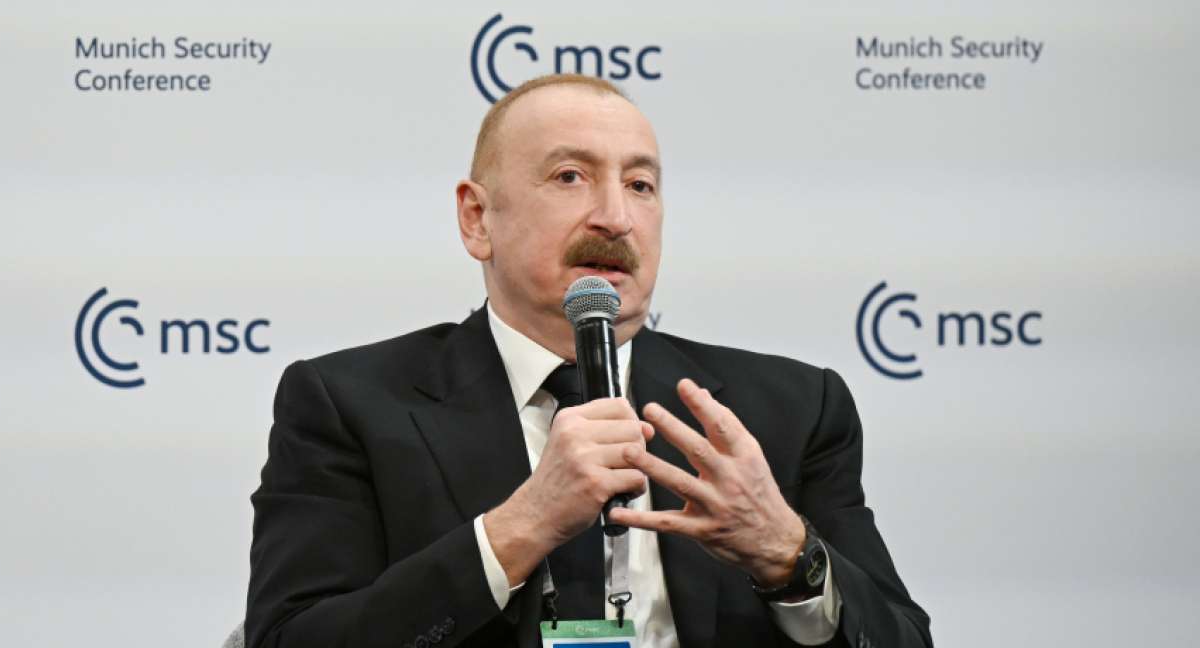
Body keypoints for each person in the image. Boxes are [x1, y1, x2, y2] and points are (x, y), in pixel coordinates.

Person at [245, 74, 932, 648]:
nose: (615, 217)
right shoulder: (349, 405)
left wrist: (789, 555)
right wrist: (520, 528)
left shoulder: (789, 410)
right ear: (477, 219)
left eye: (640, 185)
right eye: (570, 176)